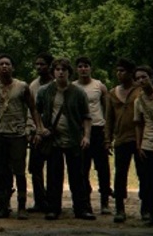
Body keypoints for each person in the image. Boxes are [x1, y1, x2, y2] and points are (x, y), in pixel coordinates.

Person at [0, 54, 42, 219]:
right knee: (1, 172)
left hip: (18, 135)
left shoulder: (22, 87)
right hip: (0, 135)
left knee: (19, 172)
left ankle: (22, 206)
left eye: (7, 64)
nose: (4, 66)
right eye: (1, 64)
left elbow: (33, 108)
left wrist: (38, 127)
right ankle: (4, 206)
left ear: (12, 68)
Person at [35, 58, 95, 221]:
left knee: (78, 176)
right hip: (53, 138)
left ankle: (81, 208)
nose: (60, 72)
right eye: (57, 69)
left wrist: (86, 136)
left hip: (74, 138)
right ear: (53, 72)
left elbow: (86, 116)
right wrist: (40, 128)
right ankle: (53, 208)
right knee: (54, 175)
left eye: (64, 69)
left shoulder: (78, 92)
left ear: (69, 72)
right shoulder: (44, 91)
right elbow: (36, 111)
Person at [105, 58, 144, 223]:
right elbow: (109, 118)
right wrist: (107, 139)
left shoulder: (139, 91)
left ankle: (146, 208)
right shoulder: (112, 93)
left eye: (122, 71)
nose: (119, 74)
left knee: (143, 174)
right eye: (117, 71)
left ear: (130, 73)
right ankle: (119, 208)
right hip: (121, 139)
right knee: (120, 174)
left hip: (139, 139)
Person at [73, 56, 112, 214]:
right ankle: (85, 201)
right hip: (80, 130)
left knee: (103, 168)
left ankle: (105, 201)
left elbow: (107, 109)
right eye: (80, 66)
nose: (83, 69)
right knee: (83, 167)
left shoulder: (99, 86)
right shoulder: (73, 87)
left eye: (86, 66)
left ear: (91, 68)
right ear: (76, 69)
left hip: (98, 129)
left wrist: (108, 132)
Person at [134, 65, 153, 225]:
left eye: (144, 77)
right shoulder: (138, 101)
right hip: (148, 144)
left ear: (151, 77)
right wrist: (139, 145)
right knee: (150, 183)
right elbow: (138, 124)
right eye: (138, 78)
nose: (141, 80)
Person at [27, 51, 54, 213]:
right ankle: (39, 201)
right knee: (35, 169)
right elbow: (31, 110)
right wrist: (33, 130)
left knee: (53, 169)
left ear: (49, 66)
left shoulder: (57, 84)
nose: (39, 67)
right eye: (37, 64)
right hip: (36, 131)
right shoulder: (33, 85)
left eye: (42, 64)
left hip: (53, 133)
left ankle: (52, 201)